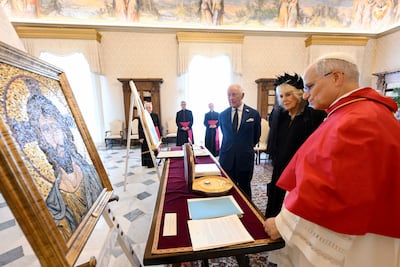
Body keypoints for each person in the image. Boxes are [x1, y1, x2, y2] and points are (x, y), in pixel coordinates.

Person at [264, 53, 400, 266]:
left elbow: (325, 184)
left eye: (310, 86)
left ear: (336, 77)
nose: (306, 95)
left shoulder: (357, 120)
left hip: (357, 237)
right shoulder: (355, 112)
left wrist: (282, 224)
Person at [26, 92, 103, 241]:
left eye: (55, 126)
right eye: (46, 130)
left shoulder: (91, 173)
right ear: (41, 139)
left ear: (64, 129)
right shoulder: (53, 202)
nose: (54, 136)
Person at [265, 73, 326, 219]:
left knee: (292, 210)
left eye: (288, 94)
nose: (284, 100)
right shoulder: (280, 117)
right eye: (281, 96)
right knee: (275, 205)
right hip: (280, 170)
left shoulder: (314, 117)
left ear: (299, 95)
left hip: (300, 174)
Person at [219, 84, 261, 199]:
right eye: (229, 95)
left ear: (242, 95)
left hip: (245, 158)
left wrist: (244, 147)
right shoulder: (222, 115)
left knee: (245, 189)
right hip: (226, 158)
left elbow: (256, 136)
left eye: (234, 95)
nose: (231, 98)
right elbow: (225, 135)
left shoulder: (254, 114)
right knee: (226, 188)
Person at [139, 102, 161, 168]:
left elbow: (158, 125)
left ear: (152, 108)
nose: (149, 109)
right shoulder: (142, 116)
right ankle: (149, 163)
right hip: (146, 135)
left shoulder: (155, 115)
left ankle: (157, 160)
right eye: (147, 108)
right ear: (145, 109)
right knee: (147, 149)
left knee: (156, 149)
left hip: (155, 135)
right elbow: (140, 127)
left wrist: (160, 135)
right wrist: (141, 137)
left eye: (150, 107)